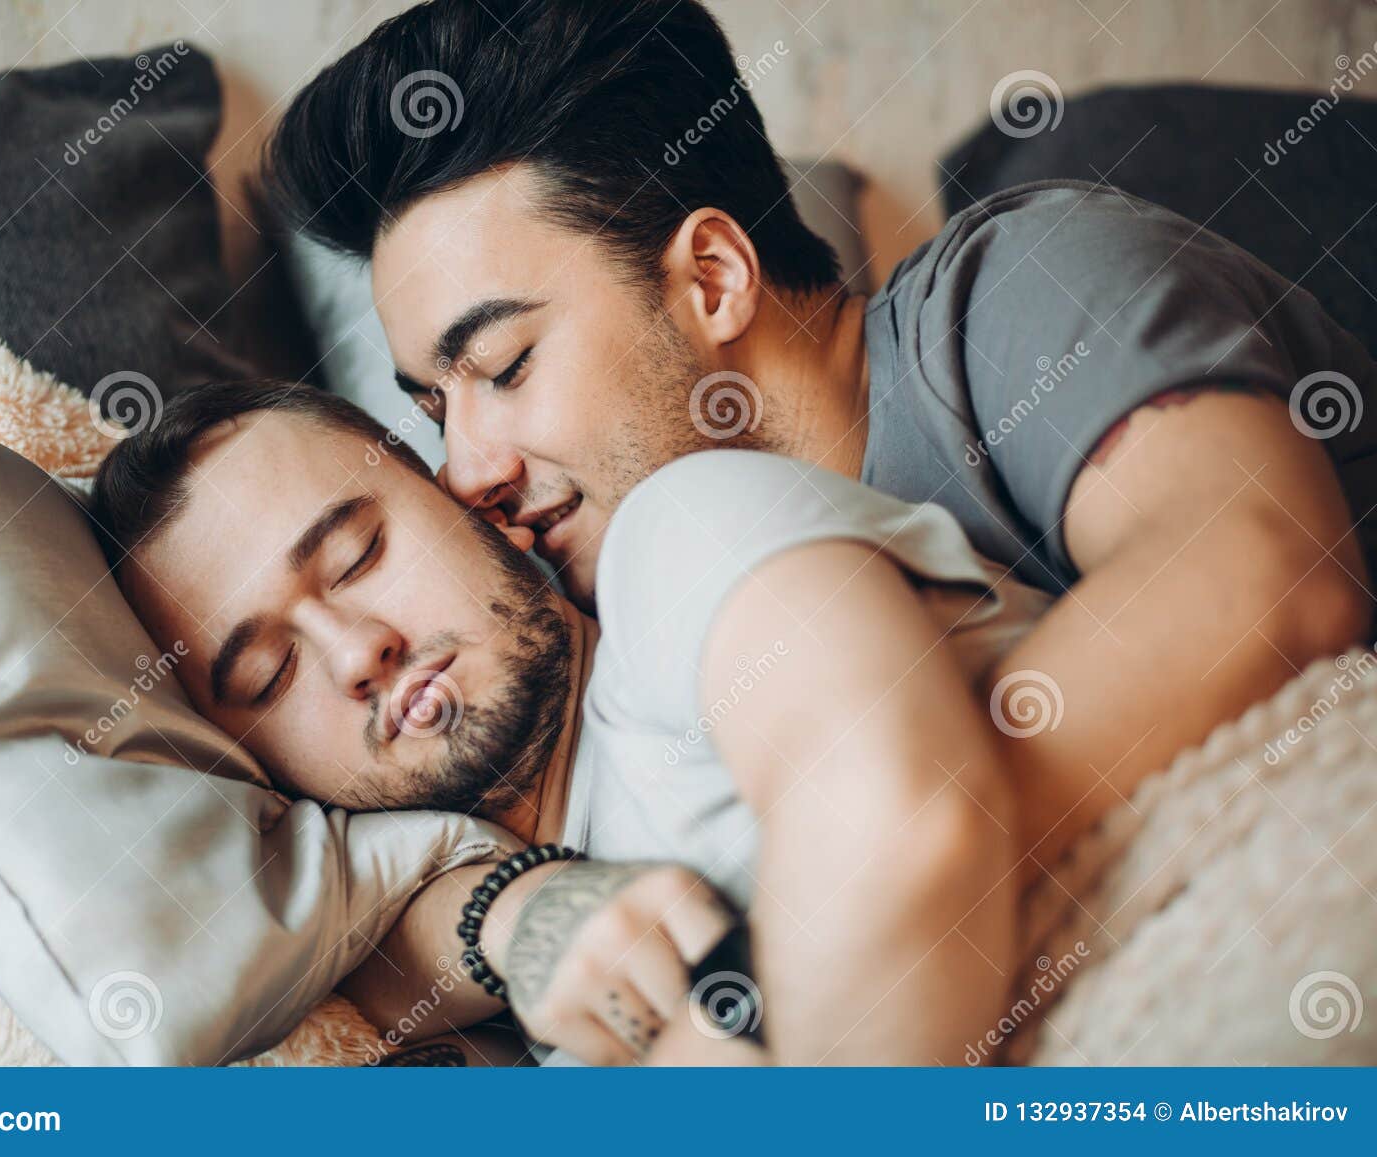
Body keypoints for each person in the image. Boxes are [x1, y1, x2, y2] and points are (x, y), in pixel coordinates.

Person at [268, 0, 1376, 875]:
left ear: (711, 279)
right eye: (434, 407)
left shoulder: (1009, 296)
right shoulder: (627, 608)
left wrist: (839, 911)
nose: (468, 472)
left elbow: (1267, 583)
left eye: (504, 366)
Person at [91, 378, 1056, 1065]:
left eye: (357, 555)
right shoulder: (411, 974)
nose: (356, 650)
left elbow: (905, 829)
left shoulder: (676, 544)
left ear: (475, 507)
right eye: (270, 672)